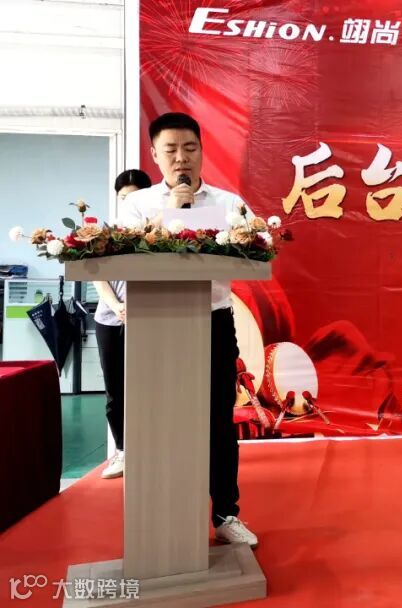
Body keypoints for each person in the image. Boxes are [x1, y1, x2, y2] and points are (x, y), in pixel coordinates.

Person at [118, 112, 258, 548]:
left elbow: (257, 249)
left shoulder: (229, 203)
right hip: (156, 324)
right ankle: (160, 514)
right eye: (171, 150)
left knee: (218, 421)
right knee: (157, 420)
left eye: (190, 148)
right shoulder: (138, 206)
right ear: (155, 155)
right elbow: (123, 258)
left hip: (213, 319)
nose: (182, 158)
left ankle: (225, 514)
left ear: (201, 151)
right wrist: (171, 217)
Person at [95, 169, 153, 480]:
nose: (128, 202)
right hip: (111, 318)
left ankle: (153, 450)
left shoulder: (160, 233)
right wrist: (116, 306)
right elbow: (97, 276)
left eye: (135, 197)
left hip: (151, 318)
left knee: (151, 387)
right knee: (116, 390)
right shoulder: (105, 234)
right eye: (123, 198)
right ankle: (123, 452)